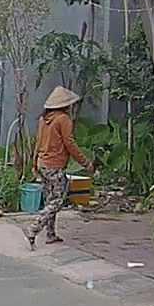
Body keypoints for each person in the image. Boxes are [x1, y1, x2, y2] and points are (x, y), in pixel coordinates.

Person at [24, 86, 94, 250]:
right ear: (65, 105)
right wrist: (85, 163)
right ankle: (34, 227)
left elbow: (38, 142)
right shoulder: (63, 119)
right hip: (55, 165)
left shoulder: (44, 119)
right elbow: (70, 144)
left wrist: (34, 163)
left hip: (42, 164)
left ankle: (51, 234)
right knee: (57, 201)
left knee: (50, 199)